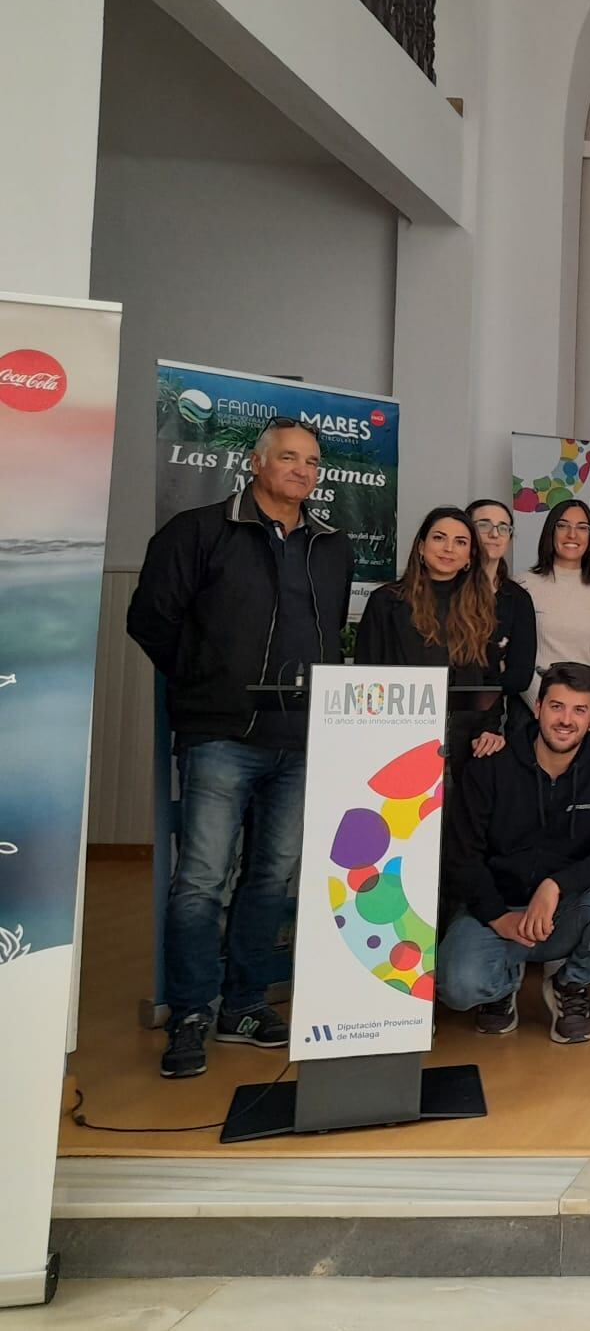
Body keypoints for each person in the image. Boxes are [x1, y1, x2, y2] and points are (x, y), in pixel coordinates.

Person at [127, 417, 355, 1079]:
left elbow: (329, 629)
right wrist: (205, 680)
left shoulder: (331, 545)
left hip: (301, 738)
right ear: (256, 464)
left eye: (312, 463)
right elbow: (151, 619)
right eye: (288, 458)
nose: (301, 471)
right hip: (220, 735)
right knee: (201, 879)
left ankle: (246, 1005)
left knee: (271, 876)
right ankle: (193, 1011)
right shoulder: (198, 532)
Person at [437, 662, 590, 1043]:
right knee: (458, 988)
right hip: (496, 912)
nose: (566, 720)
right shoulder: (491, 768)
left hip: (562, 912)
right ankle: (502, 989)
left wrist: (556, 886)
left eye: (579, 710)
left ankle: (570, 984)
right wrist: (497, 916)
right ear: (538, 708)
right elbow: (461, 855)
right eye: (557, 706)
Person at [353, 505, 508, 776]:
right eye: (439, 537)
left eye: (460, 542)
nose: (449, 548)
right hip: (397, 747)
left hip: (466, 749)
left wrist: (489, 729)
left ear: (470, 557)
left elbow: (490, 677)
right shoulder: (386, 602)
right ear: (421, 547)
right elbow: (365, 676)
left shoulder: (483, 607)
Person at [516, 499, 590, 728]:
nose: (572, 534)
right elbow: (516, 660)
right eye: (563, 526)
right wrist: (544, 708)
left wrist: (588, 720)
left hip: (583, 718)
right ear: (550, 532)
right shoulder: (523, 584)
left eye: (582, 527)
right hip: (531, 712)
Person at [467, 498, 539, 726]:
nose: (494, 534)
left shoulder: (518, 598)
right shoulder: (448, 590)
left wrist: (484, 671)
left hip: (489, 723)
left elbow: (520, 677)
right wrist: (496, 662)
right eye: (484, 525)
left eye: (503, 527)